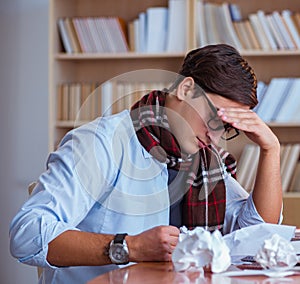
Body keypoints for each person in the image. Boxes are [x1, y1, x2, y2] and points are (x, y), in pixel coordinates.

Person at [9, 44, 282, 283]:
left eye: (228, 127)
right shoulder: (99, 143)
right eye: (216, 118)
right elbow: (27, 233)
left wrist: (271, 149)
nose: (216, 136)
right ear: (186, 89)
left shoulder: (206, 160)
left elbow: (256, 234)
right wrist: (131, 247)